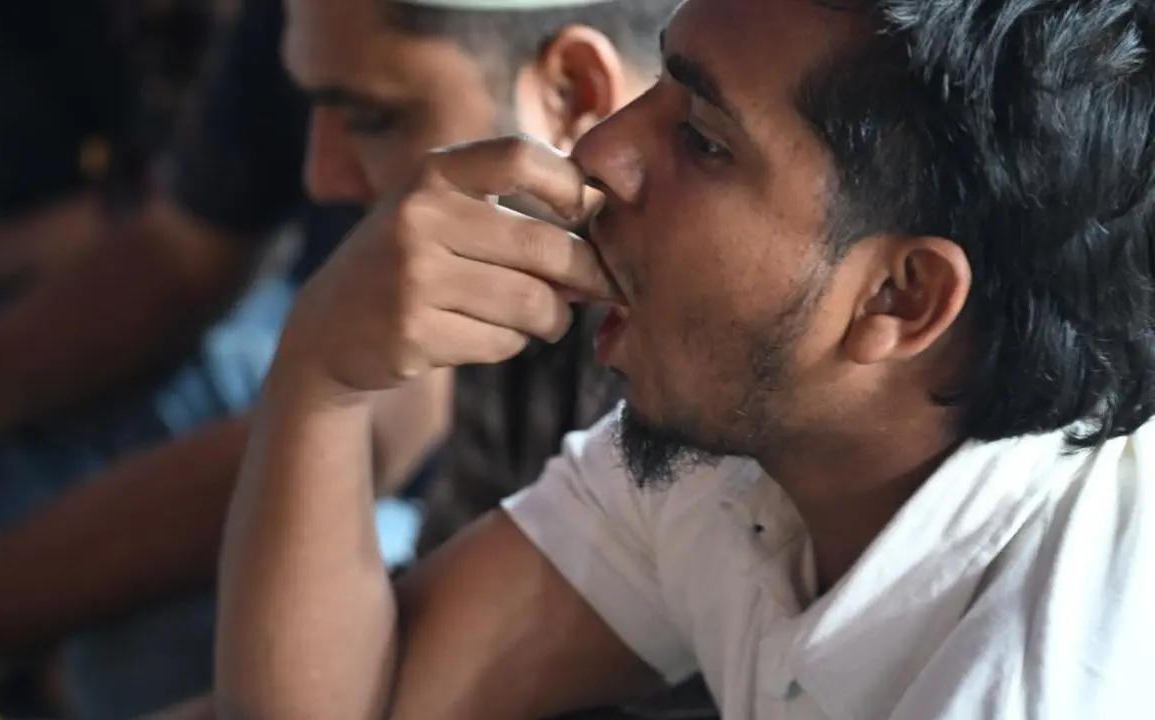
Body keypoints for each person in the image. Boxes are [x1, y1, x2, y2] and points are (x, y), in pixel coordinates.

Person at [217, 0, 1155, 717]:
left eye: (703, 140)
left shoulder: (1042, 681)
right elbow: (358, 701)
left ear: (898, 299)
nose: (599, 148)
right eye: (660, 84)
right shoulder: (749, 449)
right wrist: (322, 375)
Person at [0, 0, 696, 717]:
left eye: (372, 117)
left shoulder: (683, 404)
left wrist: (318, 374)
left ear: (570, 95)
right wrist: (316, 371)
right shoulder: (529, 260)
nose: (321, 177)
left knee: (131, 656)